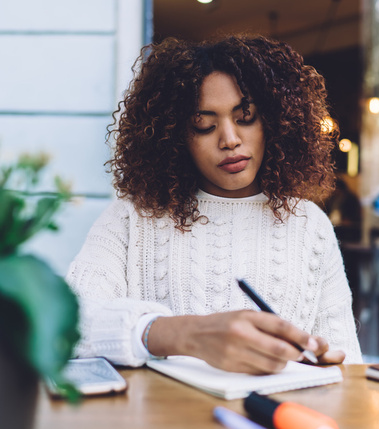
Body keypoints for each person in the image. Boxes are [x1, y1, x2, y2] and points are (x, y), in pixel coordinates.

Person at [66, 35, 362, 375]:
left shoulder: (310, 224)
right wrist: (183, 335)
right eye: (203, 125)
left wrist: (323, 363)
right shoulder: (132, 218)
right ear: (175, 136)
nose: (230, 139)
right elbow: (65, 325)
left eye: (245, 116)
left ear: (274, 121)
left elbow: (346, 366)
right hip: (163, 425)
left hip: (271, 421)